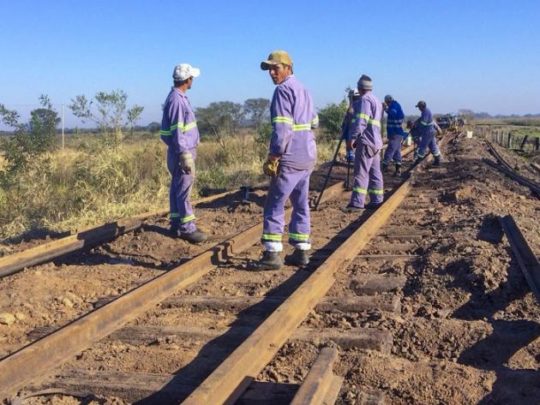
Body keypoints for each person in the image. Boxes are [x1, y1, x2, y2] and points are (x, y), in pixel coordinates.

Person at [257, 50, 319, 270]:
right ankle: (302, 250)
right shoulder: (304, 89)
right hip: (307, 155)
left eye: (276, 68)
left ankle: (272, 254)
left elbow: (282, 129)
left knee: (275, 203)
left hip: (290, 156)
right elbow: (314, 123)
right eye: (270, 69)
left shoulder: (282, 91)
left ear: (288, 68)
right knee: (301, 202)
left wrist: (274, 155)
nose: (272, 73)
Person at [160, 63, 207, 244]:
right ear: (187, 80)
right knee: (184, 191)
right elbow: (178, 131)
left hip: (177, 151)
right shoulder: (178, 101)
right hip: (182, 152)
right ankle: (187, 228)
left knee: (177, 188)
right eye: (192, 78)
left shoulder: (176, 98)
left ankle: (176, 223)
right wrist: (184, 154)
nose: (192, 80)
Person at [343, 75, 384, 212]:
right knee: (375, 173)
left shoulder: (364, 100)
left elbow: (361, 121)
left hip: (366, 142)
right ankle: (377, 200)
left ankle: (357, 203)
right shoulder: (376, 101)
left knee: (361, 173)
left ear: (360, 87)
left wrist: (353, 139)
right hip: (376, 142)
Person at [382, 95, 406, 175]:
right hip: (394, 133)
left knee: (390, 150)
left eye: (386, 103)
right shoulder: (393, 105)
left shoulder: (394, 105)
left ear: (388, 101)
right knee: (397, 152)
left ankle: (383, 167)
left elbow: (392, 113)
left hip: (396, 133)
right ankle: (398, 170)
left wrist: (385, 108)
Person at [413, 100, 442, 166]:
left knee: (423, 146)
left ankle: (419, 160)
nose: (419, 109)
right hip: (430, 132)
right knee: (433, 146)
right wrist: (417, 121)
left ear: (421, 107)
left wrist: (417, 124)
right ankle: (438, 161)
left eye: (419, 107)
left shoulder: (425, 112)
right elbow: (422, 119)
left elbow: (424, 123)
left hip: (427, 132)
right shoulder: (425, 111)